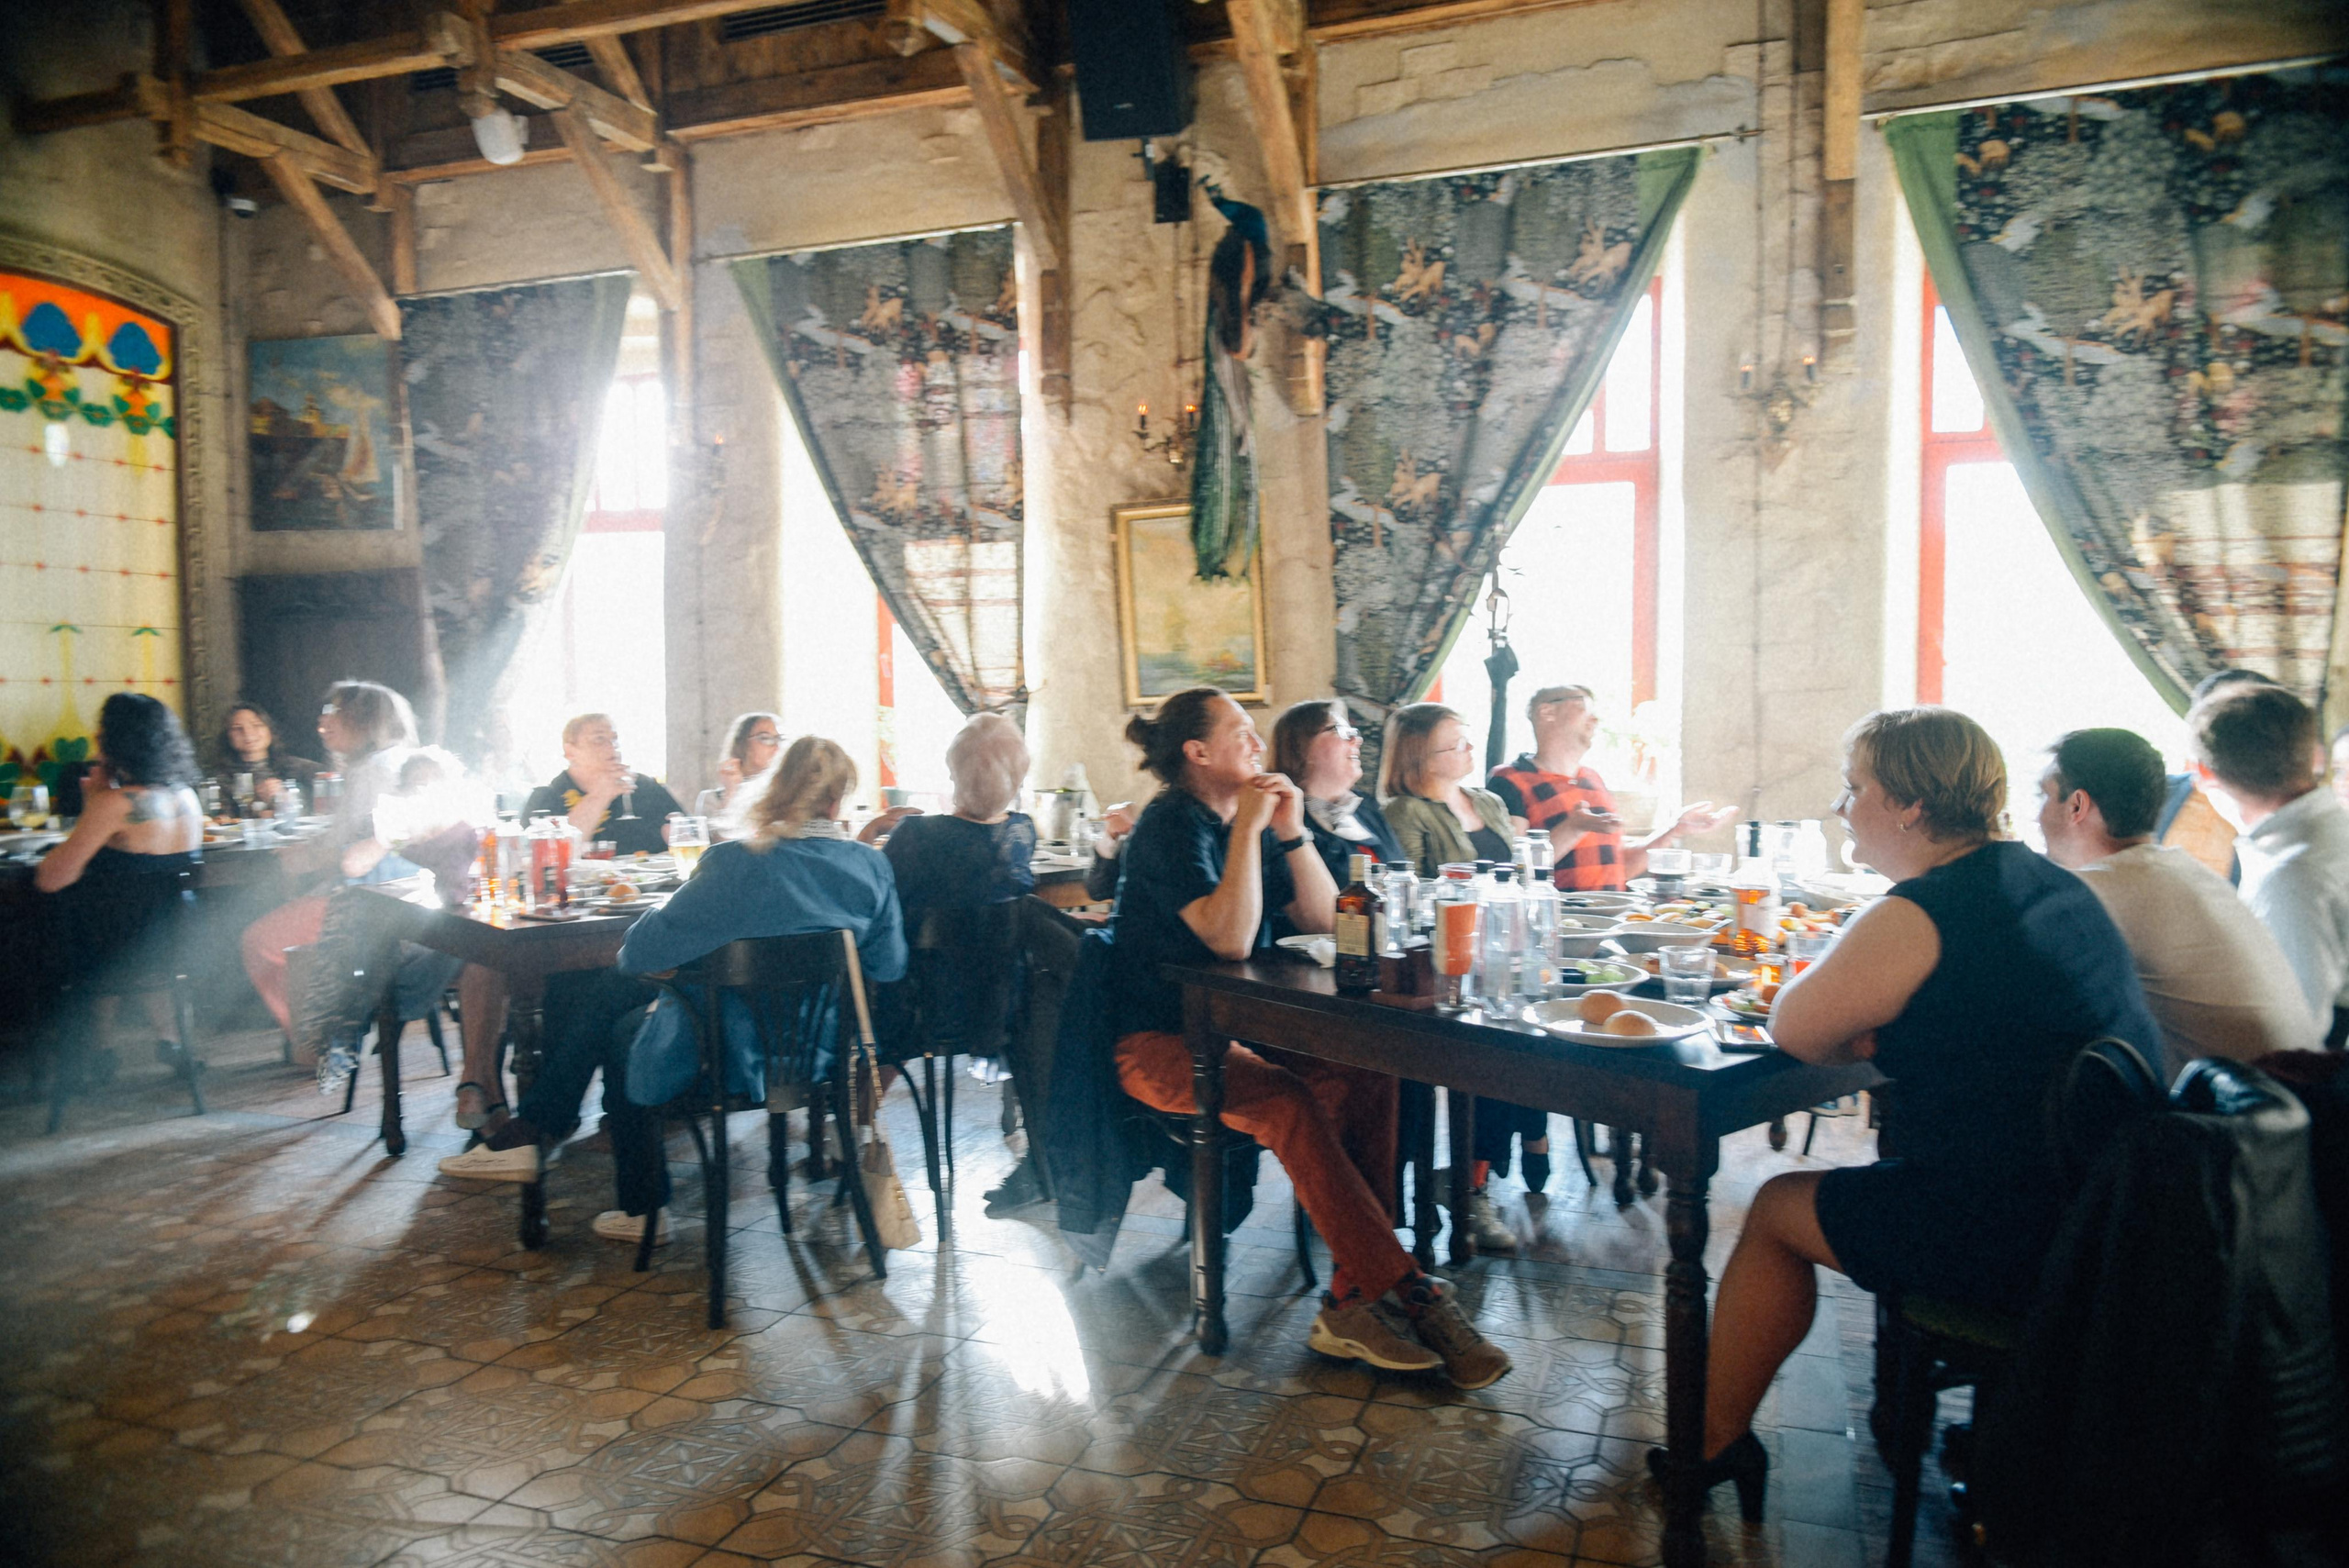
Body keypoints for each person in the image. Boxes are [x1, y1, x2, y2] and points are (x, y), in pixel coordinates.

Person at [1662, 706, 2159, 1514]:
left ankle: (1711, 1446)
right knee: (1842, 1182)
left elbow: (1793, 1025)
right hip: (2114, 1214)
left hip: (2015, 1235)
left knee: (1776, 1206)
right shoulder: (2050, 883)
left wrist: (1865, 1024)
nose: (1840, 804)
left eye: (1854, 787)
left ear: (1910, 806)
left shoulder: (1921, 912)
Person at [1107, 686, 1508, 1388]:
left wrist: (1289, 830)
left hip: (1235, 1025)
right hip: (1153, 1039)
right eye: (1241, 733)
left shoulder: (1253, 818)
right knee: (1288, 1098)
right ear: (1198, 753)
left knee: (1366, 1066)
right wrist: (1248, 831)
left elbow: (1328, 918)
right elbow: (1228, 940)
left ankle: (1351, 1298)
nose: (1259, 744)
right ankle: (1410, 1291)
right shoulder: (1171, 823)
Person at [438, 737, 907, 1243]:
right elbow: (889, 965)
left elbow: (637, 955)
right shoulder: (871, 866)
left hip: (727, 1057)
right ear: (837, 803)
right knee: (619, 1007)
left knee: (621, 1016)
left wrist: (679, 934)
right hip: (823, 1057)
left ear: (774, 790)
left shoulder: (736, 862)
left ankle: (594, 1172)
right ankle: (548, 1139)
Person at [2036, 727, 2318, 1078]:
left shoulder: (2098, 890)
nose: (2036, 816)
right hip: (2300, 1101)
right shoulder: (2181, 871)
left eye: (2042, 796)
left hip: (2245, 1116)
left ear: (2076, 805)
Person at [1379, 703, 1534, 1247]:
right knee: (1488, 1056)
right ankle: (1466, 1191)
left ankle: (1473, 1177)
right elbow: (1411, 894)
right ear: (1421, 756)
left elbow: (1518, 874)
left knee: (1528, 1050)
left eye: (1467, 741)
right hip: (1446, 965)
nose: (1471, 752)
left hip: (1504, 954)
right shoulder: (1406, 811)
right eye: (1456, 744)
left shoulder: (1488, 801)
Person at [882, 713, 1040, 1210]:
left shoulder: (914, 836)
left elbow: (880, 900)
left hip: (924, 1010)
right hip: (1002, 1007)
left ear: (955, 775)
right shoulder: (1023, 832)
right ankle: (1038, 1149)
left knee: (874, 988)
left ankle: (855, 1123)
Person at [239, 680, 420, 1053]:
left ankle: (317, 1042)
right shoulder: (399, 760)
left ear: (363, 720)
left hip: (372, 901)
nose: (324, 721)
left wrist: (297, 858)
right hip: (406, 895)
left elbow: (344, 847)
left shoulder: (372, 770)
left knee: (259, 941)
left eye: (335, 712)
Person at [36, 693, 206, 1088]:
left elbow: (51, 878)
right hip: (176, 941)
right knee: (136, 929)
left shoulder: (114, 803)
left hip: (113, 948)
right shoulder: (187, 796)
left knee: (92, 923)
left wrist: (94, 802)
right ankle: (171, 1040)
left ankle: (100, 1049)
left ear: (115, 739)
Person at [2189, 683, 2349, 1050]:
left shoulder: (2290, 877)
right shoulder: (2333, 828)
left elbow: (2297, 1032)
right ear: (2315, 755)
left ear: (2203, 773)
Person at [1486, 685, 1728, 889]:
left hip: (1608, 923)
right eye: (1585, 709)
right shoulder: (1509, 780)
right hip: (1556, 924)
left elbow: (1617, 868)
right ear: (1547, 712)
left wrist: (1673, 830)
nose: (1596, 720)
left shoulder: (1592, 778)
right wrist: (1572, 828)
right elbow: (1512, 873)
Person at [1268, 698, 1405, 884]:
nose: (1357, 740)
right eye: (1338, 730)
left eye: (1353, 732)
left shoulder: (1367, 808)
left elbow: (1401, 877)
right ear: (1299, 748)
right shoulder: (1282, 820)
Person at [526, 713, 685, 857]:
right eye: (599, 739)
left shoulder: (647, 789)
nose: (612, 746)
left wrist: (678, 834)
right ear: (570, 752)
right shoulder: (546, 798)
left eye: (614, 739)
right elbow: (546, 859)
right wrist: (600, 796)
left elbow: (690, 836)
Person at [207, 700, 320, 814]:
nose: (248, 733)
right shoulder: (220, 780)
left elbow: (323, 808)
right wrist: (255, 802)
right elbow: (219, 820)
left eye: (256, 725)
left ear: (270, 730)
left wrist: (282, 798)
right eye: (237, 728)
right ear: (227, 736)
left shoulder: (303, 768)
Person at [693, 711, 784, 832]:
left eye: (778, 739)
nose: (776, 747)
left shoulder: (786, 795)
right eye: (765, 738)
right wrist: (731, 792)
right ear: (741, 744)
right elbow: (719, 845)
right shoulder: (712, 799)